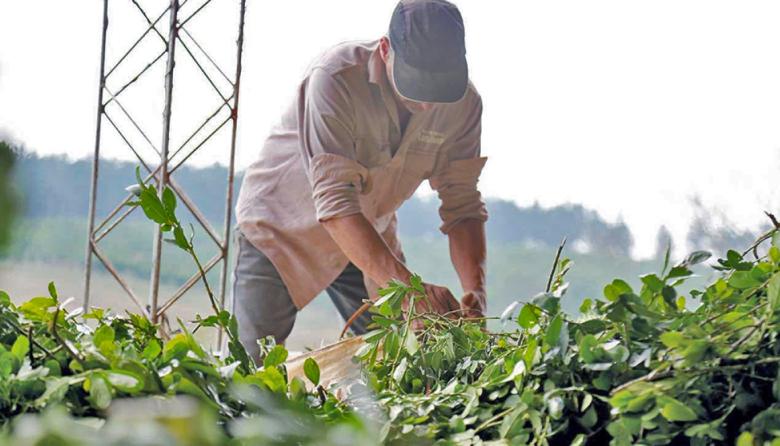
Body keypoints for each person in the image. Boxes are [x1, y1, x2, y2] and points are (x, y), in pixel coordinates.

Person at [233, 0, 488, 361]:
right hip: (282, 229)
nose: (428, 105)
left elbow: (462, 205)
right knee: (251, 370)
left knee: (404, 361)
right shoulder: (335, 78)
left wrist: (476, 293)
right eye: (416, 85)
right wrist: (410, 290)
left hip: (369, 233)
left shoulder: (464, 105)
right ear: (385, 50)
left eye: (439, 89)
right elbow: (336, 204)